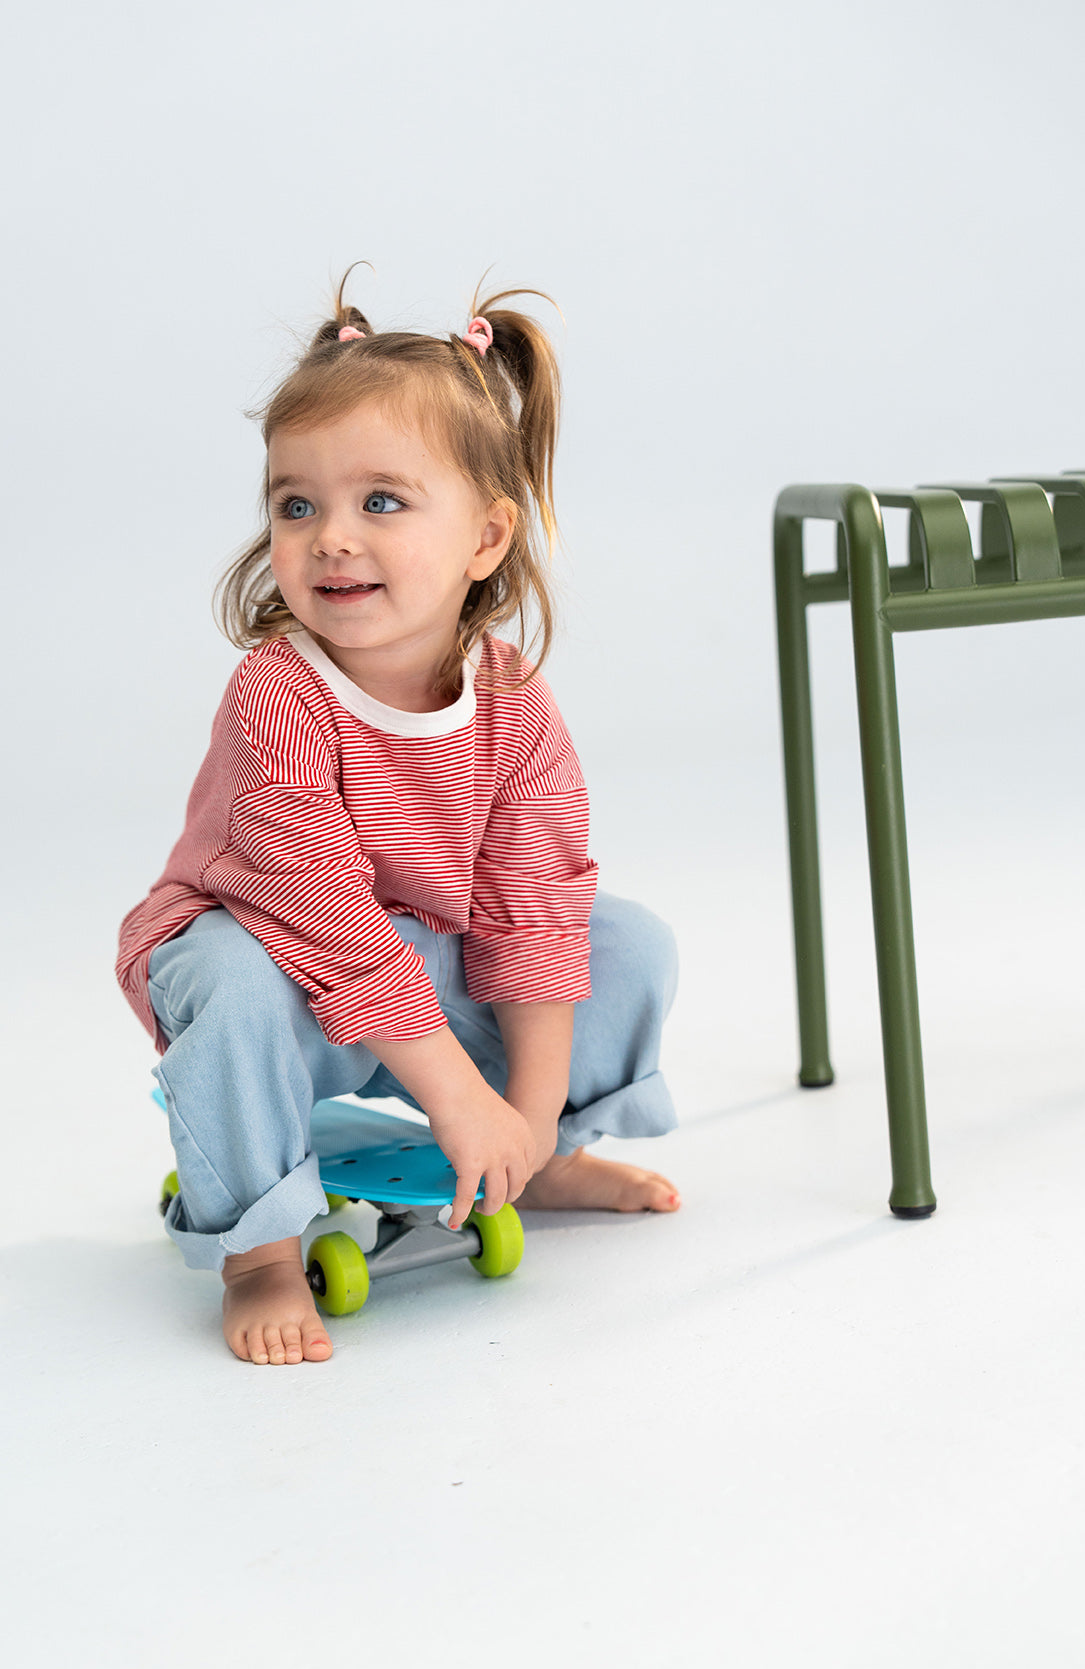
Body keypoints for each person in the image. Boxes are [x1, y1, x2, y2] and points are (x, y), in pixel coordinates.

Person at [116, 276, 680, 1366]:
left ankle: (542, 1158)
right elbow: (322, 914)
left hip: (421, 951)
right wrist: (454, 1093)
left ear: (484, 538)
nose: (329, 537)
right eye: (296, 504)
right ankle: (260, 1250)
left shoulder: (510, 698)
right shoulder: (276, 694)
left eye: (380, 502)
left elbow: (532, 902)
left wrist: (516, 1114)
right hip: (262, 943)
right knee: (235, 982)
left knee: (625, 942)